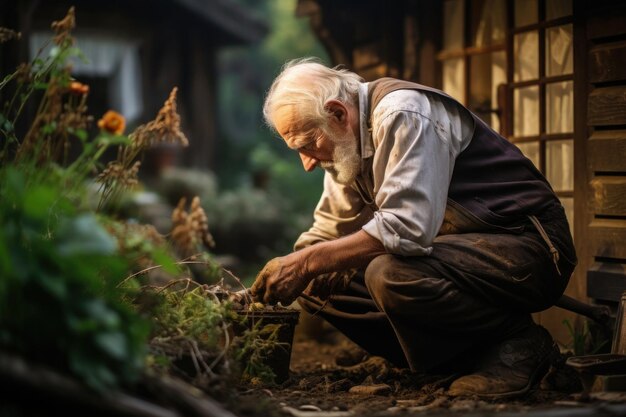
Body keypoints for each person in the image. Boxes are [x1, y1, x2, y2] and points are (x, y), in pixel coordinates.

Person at [250, 57, 577, 398]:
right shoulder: (344, 143)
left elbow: (406, 229)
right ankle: (455, 361)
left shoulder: (403, 112)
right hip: (455, 255)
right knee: (315, 280)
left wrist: (307, 262)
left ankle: (519, 346)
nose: (307, 162)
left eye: (306, 144)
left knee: (388, 273)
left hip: (529, 247)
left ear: (337, 113)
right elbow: (328, 232)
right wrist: (269, 286)